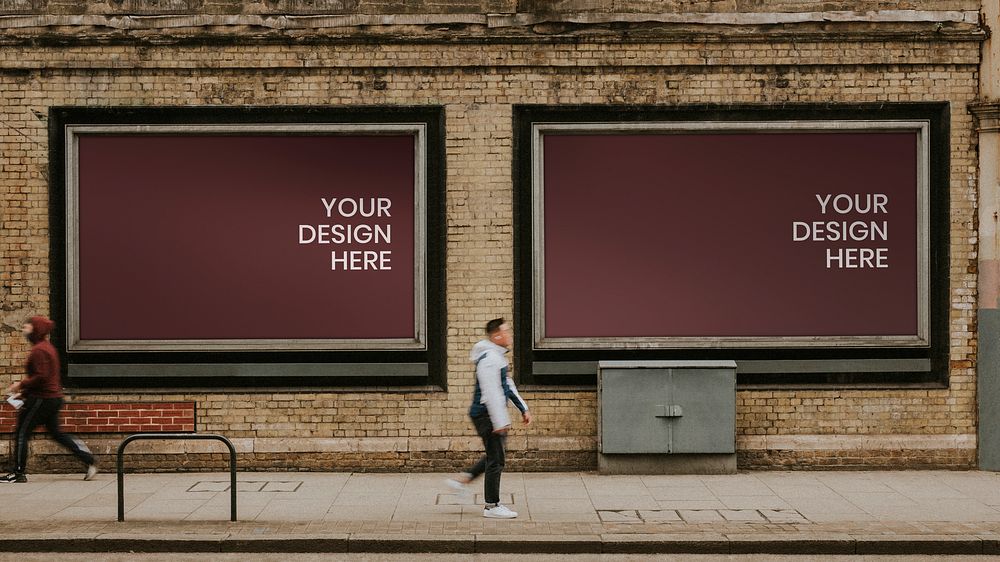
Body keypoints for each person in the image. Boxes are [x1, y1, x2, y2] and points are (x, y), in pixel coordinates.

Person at [448, 318, 532, 519]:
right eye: (506, 332)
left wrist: (523, 408)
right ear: (496, 336)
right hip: (486, 414)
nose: (509, 335)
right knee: (496, 459)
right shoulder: (489, 359)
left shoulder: (497, 356)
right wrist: (499, 421)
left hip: (489, 414)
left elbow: (508, 385)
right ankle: (492, 506)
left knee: (495, 454)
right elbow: (491, 392)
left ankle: (464, 480)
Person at [2, 316, 97, 483]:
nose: (23, 330)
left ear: (36, 329)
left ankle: (18, 472)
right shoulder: (47, 348)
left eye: (27, 327)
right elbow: (46, 378)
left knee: (22, 432)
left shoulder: (39, 350)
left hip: (41, 399)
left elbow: (41, 377)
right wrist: (23, 393)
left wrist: (20, 385)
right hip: (52, 398)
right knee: (57, 434)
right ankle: (88, 460)